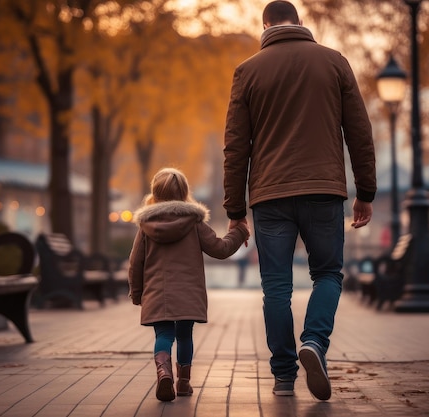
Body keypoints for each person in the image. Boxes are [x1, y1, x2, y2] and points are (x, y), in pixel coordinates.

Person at [223, 1, 376, 401]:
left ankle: (283, 377)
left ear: (265, 25)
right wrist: (366, 191)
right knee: (327, 274)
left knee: (276, 287)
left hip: (270, 195)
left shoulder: (248, 71)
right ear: (299, 22)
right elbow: (359, 132)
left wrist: (235, 213)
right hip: (324, 191)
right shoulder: (334, 62)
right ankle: (314, 343)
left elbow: (236, 148)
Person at [128, 167, 250, 402]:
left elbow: (135, 263)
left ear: (155, 192)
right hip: (188, 293)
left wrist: (137, 293)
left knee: (164, 334)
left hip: (157, 294)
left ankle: (164, 373)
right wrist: (241, 231)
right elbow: (220, 249)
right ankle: (183, 383)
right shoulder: (194, 223)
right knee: (184, 335)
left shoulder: (145, 227)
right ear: (185, 192)